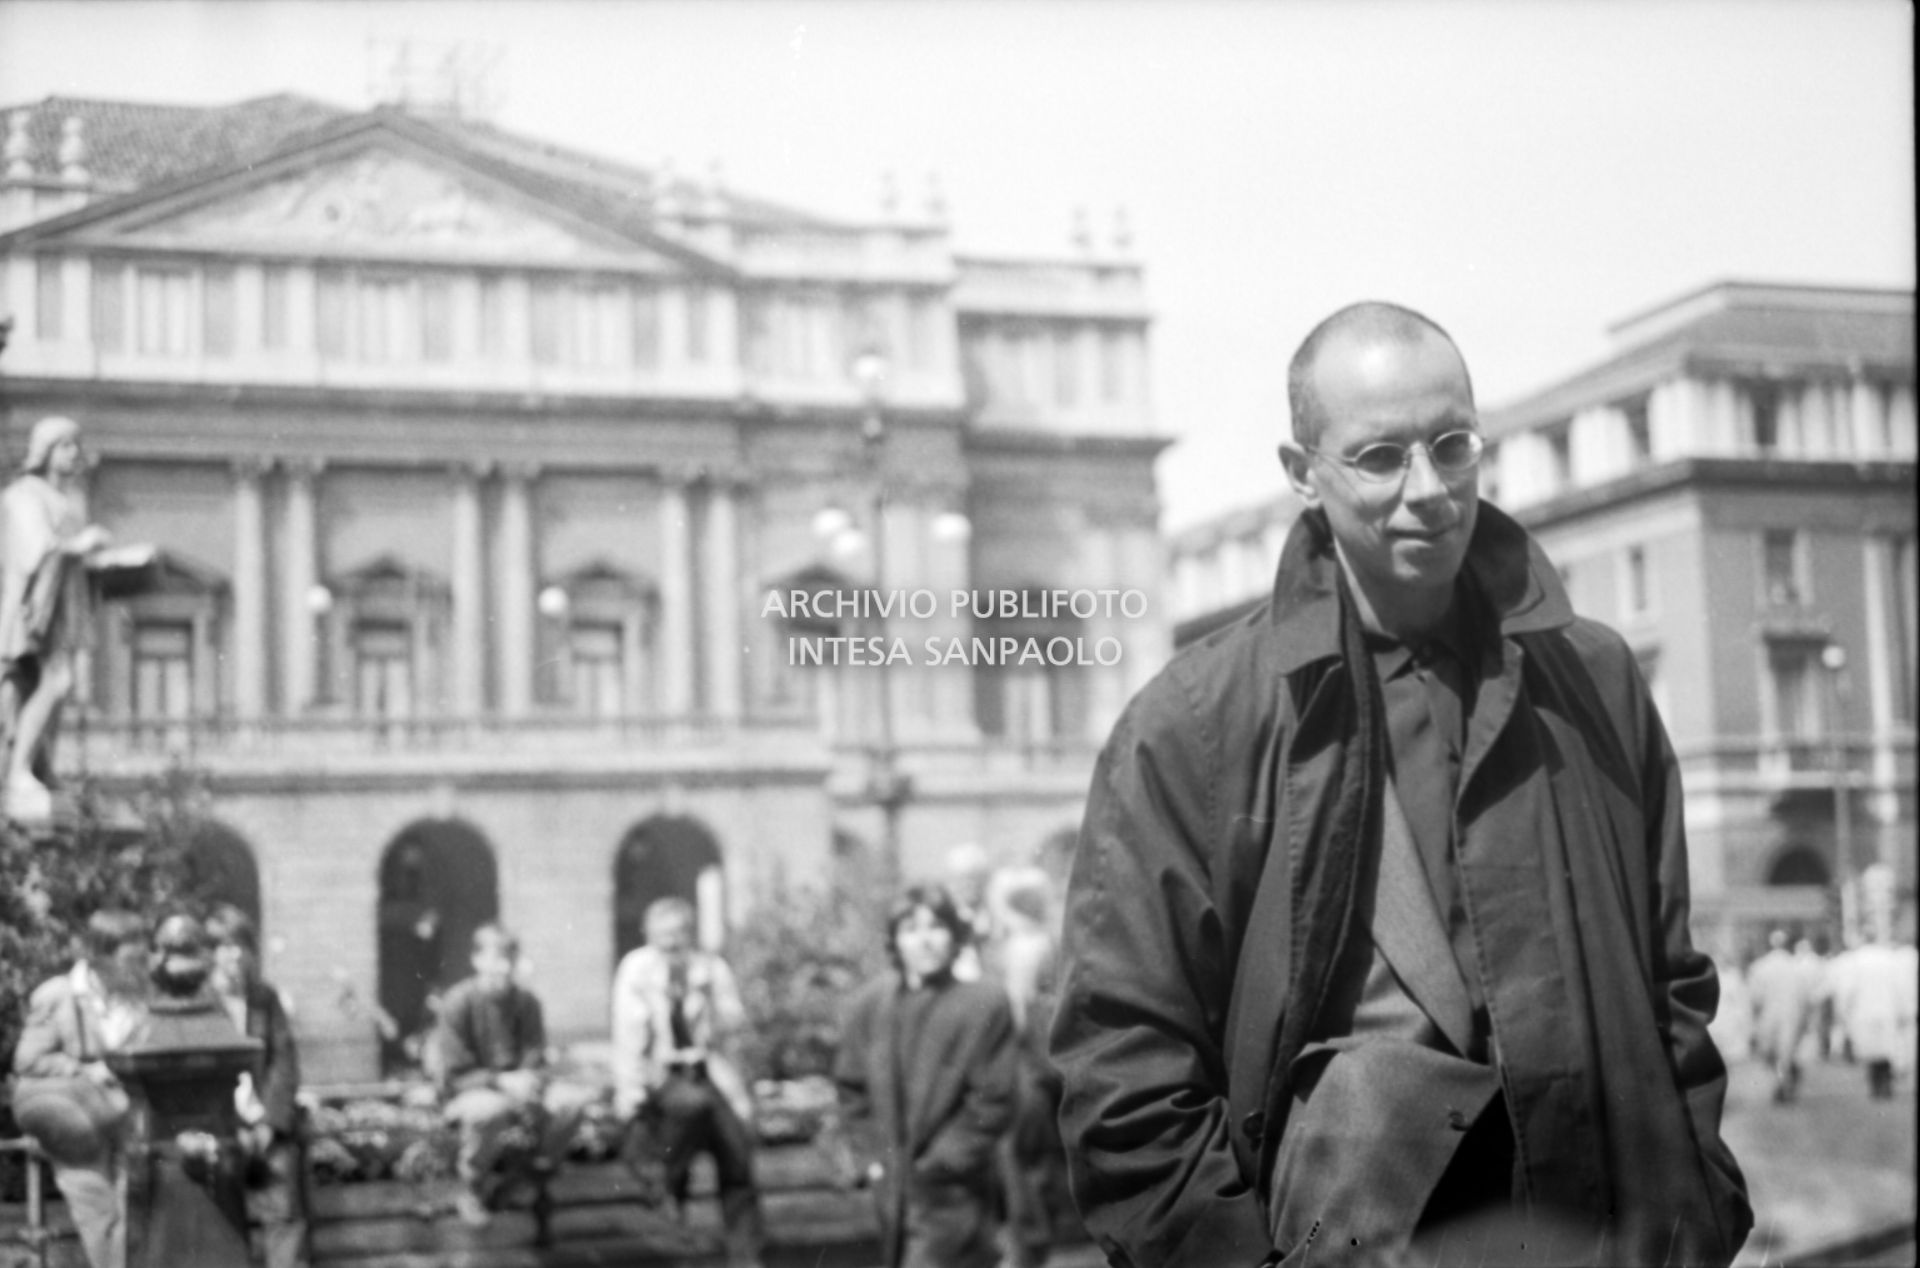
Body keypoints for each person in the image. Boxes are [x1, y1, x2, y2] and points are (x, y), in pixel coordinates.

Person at [1049, 301, 1752, 1267]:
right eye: (1379, 458)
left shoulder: (1594, 681)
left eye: (1452, 445)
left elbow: (1673, 983)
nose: (1428, 490)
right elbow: (1123, 1067)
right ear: (1302, 474)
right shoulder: (1193, 726)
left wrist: (1698, 1205)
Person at [834, 883, 1017, 1268]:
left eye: (936, 927)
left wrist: (941, 1166)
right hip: (891, 1187)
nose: (925, 941)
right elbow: (852, 1090)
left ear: (955, 936)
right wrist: (872, 1158)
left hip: (953, 1190)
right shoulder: (869, 1005)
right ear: (895, 941)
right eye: (911, 930)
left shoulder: (983, 1003)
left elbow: (994, 1099)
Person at [610, 896, 766, 1267]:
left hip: (706, 1070)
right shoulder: (637, 969)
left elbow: (733, 1027)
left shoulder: (710, 968)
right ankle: (667, 1181)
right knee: (692, 1105)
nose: (671, 945)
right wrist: (630, 1090)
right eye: (663, 937)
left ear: (690, 935)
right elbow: (628, 1035)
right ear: (649, 935)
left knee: (737, 1152)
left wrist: (714, 1006)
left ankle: (747, 1257)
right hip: (660, 1073)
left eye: (679, 936)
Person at [9, 909, 149, 1268]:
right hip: (77, 1123)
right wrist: (85, 1069)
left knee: (136, 1213)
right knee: (98, 1217)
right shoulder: (59, 995)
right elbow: (27, 1060)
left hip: (129, 1119)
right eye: (130, 958)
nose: (139, 966)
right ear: (102, 956)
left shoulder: (139, 996)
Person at [431, 924, 596, 1226]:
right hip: (472, 1087)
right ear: (476, 960)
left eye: (509, 958)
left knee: (573, 1102)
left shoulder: (526, 1002)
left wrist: (528, 1078)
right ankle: (473, 1189)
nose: (502, 967)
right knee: (490, 1110)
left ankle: (524, 1178)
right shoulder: (459, 1002)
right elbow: (455, 1070)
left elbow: (535, 1052)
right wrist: (502, 1081)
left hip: (521, 1083)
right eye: (494, 958)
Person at [0, 414, 112, 822]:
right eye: (67, 446)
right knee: (56, 681)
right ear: (44, 450)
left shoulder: (62, 501)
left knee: (46, 688)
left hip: (59, 607)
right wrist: (81, 544)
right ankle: (17, 775)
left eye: (77, 446)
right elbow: (36, 549)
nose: (75, 455)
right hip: (31, 610)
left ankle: (37, 768)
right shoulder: (22, 495)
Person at [206, 905, 311, 1268]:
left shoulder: (265, 998)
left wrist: (268, 1124)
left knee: (283, 1206)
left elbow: (284, 1063)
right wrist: (232, 1129)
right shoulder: (202, 1002)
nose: (232, 955)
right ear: (209, 954)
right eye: (221, 946)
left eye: (240, 945)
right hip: (217, 1127)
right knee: (218, 1214)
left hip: (266, 1125)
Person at [1746, 929, 1817, 1103]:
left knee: (1773, 1052)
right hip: (1792, 1014)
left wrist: (1753, 1023)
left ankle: (1780, 1084)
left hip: (1769, 1015)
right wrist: (1806, 1019)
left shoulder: (1759, 967)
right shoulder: (1797, 967)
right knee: (1788, 1052)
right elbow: (1806, 997)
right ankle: (1785, 1083)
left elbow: (1754, 998)